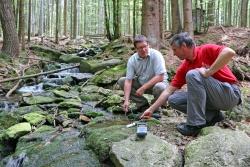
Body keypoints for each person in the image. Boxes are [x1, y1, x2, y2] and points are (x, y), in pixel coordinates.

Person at [141, 32, 241, 136]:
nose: (174, 54)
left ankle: (195, 125)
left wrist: (208, 72)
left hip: (230, 95)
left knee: (193, 74)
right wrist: (151, 109)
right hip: (213, 100)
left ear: (183, 46)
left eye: (175, 49)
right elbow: (168, 91)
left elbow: (230, 52)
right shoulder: (185, 66)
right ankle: (212, 116)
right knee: (173, 100)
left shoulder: (205, 49)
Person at [118, 35, 168, 113]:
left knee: (160, 87)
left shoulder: (156, 55)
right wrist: (126, 100)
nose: (144, 49)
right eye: (140, 48)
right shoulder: (132, 60)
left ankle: (155, 106)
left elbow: (160, 77)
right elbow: (128, 81)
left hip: (157, 85)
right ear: (136, 49)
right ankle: (142, 104)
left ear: (148, 45)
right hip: (141, 83)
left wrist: (143, 88)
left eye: (145, 46)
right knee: (122, 81)